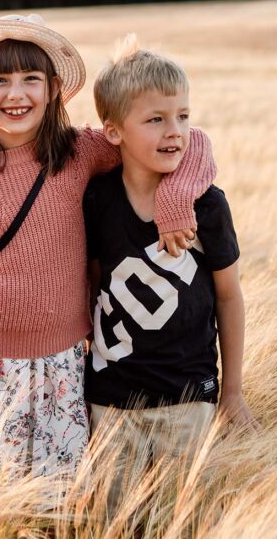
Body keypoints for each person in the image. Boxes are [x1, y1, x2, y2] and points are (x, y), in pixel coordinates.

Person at [0, 14, 215, 485]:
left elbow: (189, 141)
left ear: (54, 88)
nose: (16, 95)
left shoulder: (80, 152)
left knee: (54, 503)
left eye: (30, 79)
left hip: (57, 364)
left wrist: (176, 200)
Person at [84, 36, 255, 506]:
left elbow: (229, 296)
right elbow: (95, 284)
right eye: (155, 119)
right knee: (112, 525)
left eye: (183, 116)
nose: (174, 131)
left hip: (188, 397)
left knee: (181, 524)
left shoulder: (207, 204)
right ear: (113, 132)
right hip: (110, 397)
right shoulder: (97, 199)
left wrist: (232, 392)